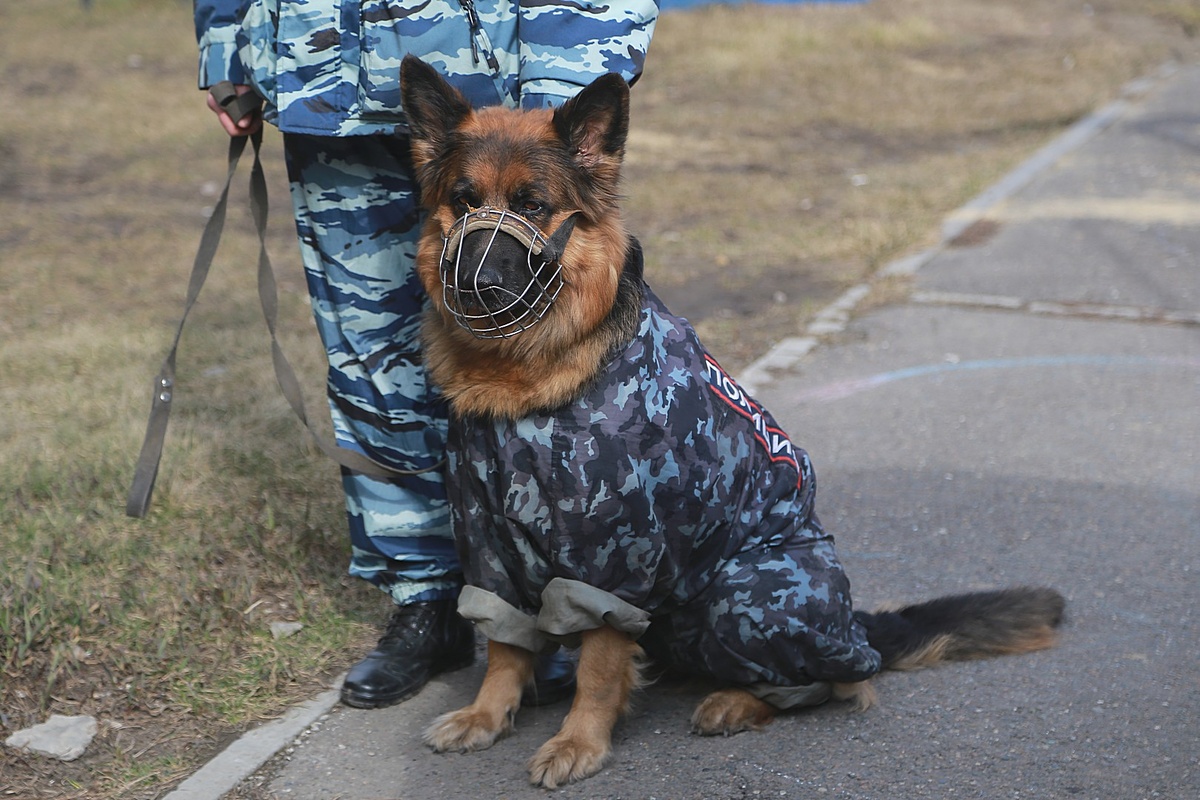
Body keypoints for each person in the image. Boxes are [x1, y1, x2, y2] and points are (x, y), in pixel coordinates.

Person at [192, 0, 659, 708]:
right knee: (370, 354)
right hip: (324, 74)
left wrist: (568, 82)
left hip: (492, 58)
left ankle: (560, 601)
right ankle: (426, 599)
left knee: (548, 357)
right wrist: (227, 43)